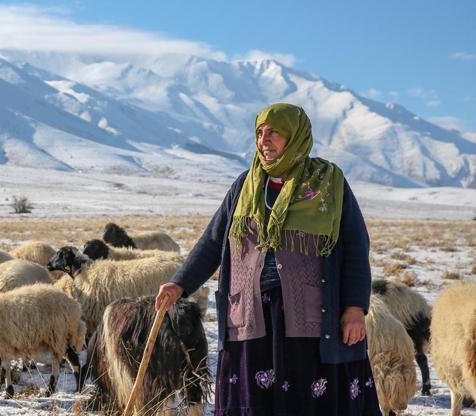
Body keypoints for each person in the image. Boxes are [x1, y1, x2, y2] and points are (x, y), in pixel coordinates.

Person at [156, 103, 381, 415]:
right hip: (251, 317)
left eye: (274, 132)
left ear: (296, 136)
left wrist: (355, 309)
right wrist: (179, 284)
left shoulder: (329, 185)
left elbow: (356, 248)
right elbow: (212, 242)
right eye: (260, 133)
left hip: (312, 319)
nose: (264, 140)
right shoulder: (244, 186)